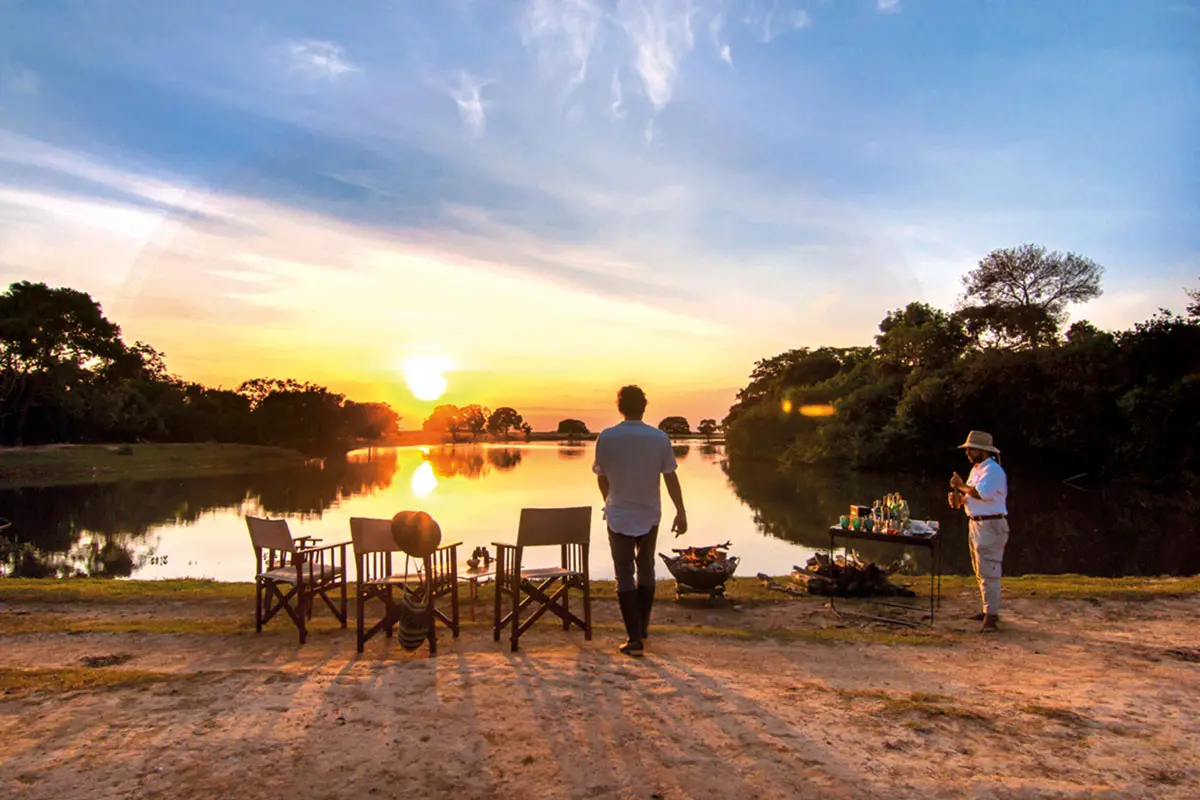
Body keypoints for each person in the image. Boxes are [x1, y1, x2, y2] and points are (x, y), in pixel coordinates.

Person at [592, 385, 687, 657]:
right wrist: (680, 511)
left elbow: (601, 475)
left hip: (619, 513)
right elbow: (670, 476)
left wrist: (608, 500)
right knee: (646, 567)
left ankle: (634, 637)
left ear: (620, 407)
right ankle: (641, 627)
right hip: (650, 513)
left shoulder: (608, 437)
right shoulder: (658, 438)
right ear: (644, 407)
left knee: (624, 572)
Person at [948, 430, 1009, 633]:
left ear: (982, 451)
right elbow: (970, 494)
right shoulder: (977, 469)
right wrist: (959, 499)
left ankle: (991, 618)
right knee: (980, 569)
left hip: (990, 525)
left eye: (970, 449)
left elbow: (980, 494)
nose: (967, 453)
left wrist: (961, 487)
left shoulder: (993, 470)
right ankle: (987, 610)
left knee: (989, 571)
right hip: (976, 524)